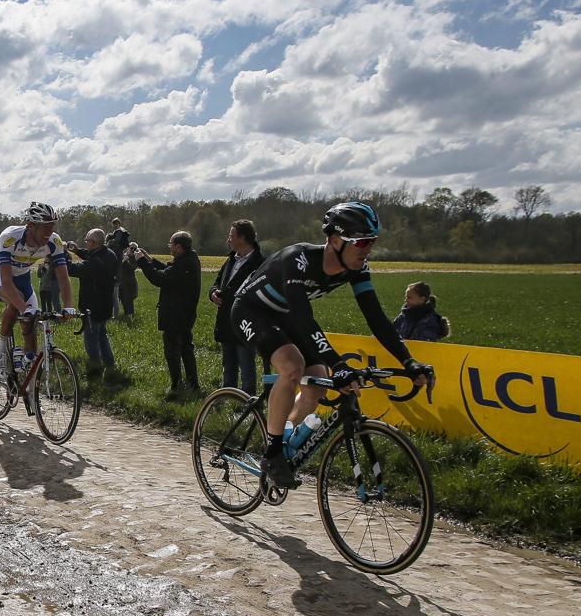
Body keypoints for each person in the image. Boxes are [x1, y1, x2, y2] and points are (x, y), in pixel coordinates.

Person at [231, 201, 435, 488]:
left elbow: (376, 319)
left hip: (285, 314)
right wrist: (339, 363)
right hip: (251, 310)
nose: (368, 250)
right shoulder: (298, 259)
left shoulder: (357, 268)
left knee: (316, 385)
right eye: (362, 242)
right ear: (336, 240)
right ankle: (272, 452)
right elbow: (304, 318)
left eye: (372, 242)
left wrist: (408, 361)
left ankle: (284, 435)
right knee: (292, 368)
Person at [0, 202, 77, 379]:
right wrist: (22, 307)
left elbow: (63, 277)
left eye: (52, 226)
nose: (49, 231)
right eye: (45, 227)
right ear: (31, 226)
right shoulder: (10, 237)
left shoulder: (53, 241)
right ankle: (2, 348)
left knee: (31, 329)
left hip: (23, 279)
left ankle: (27, 384)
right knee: (16, 301)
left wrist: (68, 306)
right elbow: (6, 280)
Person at [134, 230, 201, 396]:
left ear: (178, 247)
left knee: (172, 351)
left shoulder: (184, 264)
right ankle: (193, 384)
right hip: (186, 313)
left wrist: (141, 262)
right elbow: (168, 272)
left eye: (171, 244)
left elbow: (159, 279)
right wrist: (150, 260)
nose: (169, 247)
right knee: (186, 348)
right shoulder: (189, 259)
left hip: (175, 314)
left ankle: (176, 385)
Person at [209, 220, 264, 394]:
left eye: (231, 236)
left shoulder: (260, 264)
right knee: (228, 367)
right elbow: (217, 281)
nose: (228, 240)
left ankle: (248, 405)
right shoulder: (230, 260)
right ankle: (226, 399)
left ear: (243, 238)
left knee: (247, 368)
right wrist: (213, 293)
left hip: (245, 324)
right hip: (226, 322)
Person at [66, 228, 119, 373]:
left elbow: (72, 269)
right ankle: (110, 365)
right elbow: (91, 255)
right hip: (105, 306)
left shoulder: (97, 262)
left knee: (91, 341)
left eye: (87, 240)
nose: (85, 242)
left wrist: (62, 255)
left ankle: (95, 370)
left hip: (93, 308)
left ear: (94, 242)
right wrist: (77, 251)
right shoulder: (109, 254)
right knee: (102, 337)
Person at [105, 217, 130, 318]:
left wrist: (108, 241)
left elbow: (115, 241)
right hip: (116, 267)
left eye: (116, 223)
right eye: (114, 223)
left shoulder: (119, 232)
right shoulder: (118, 231)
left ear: (119, 224)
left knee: (114, 295)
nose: (115, 225)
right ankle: (112, 314)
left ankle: (114, 315)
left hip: (115, 271)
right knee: (113, 295)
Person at [118, 249, 138, 316]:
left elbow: (132, 268)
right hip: (122, 281)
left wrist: (125, 261)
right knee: (122, 298)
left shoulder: (134, 259)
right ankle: (126, 314)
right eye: (130, 249)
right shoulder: (125, 257)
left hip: (129, 282)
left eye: (133, 249)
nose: (130, 250)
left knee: (128, 299)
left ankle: (130, 314)